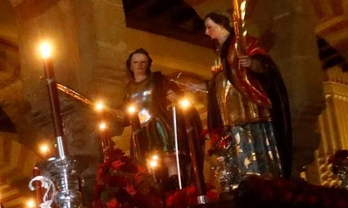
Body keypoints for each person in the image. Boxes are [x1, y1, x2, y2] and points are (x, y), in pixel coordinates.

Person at [204, 11, 290, 179]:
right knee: (235, 142)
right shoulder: (219, 52)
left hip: (247, 102)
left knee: (252, 137)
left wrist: (252, 63)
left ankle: (262, 176)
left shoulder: (242, 42)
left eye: (209, 27)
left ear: (221, 25)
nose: (206, 32)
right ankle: (241, 178)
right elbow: (219, 79)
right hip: (228, 109)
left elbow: (264, 64)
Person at [123, 46, 206, 188]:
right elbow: (125, 111)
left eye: (143, 62)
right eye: (136, 62)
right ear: (130, 65)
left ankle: (177, 188)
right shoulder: (128, 88)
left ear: (148, 64)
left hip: (160, 124)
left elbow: (175, 92)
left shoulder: (158, 80)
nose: (139, 65)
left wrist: (175, 96)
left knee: (169, 159)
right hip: (141, 130)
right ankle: (158, 190)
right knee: (149, 165)